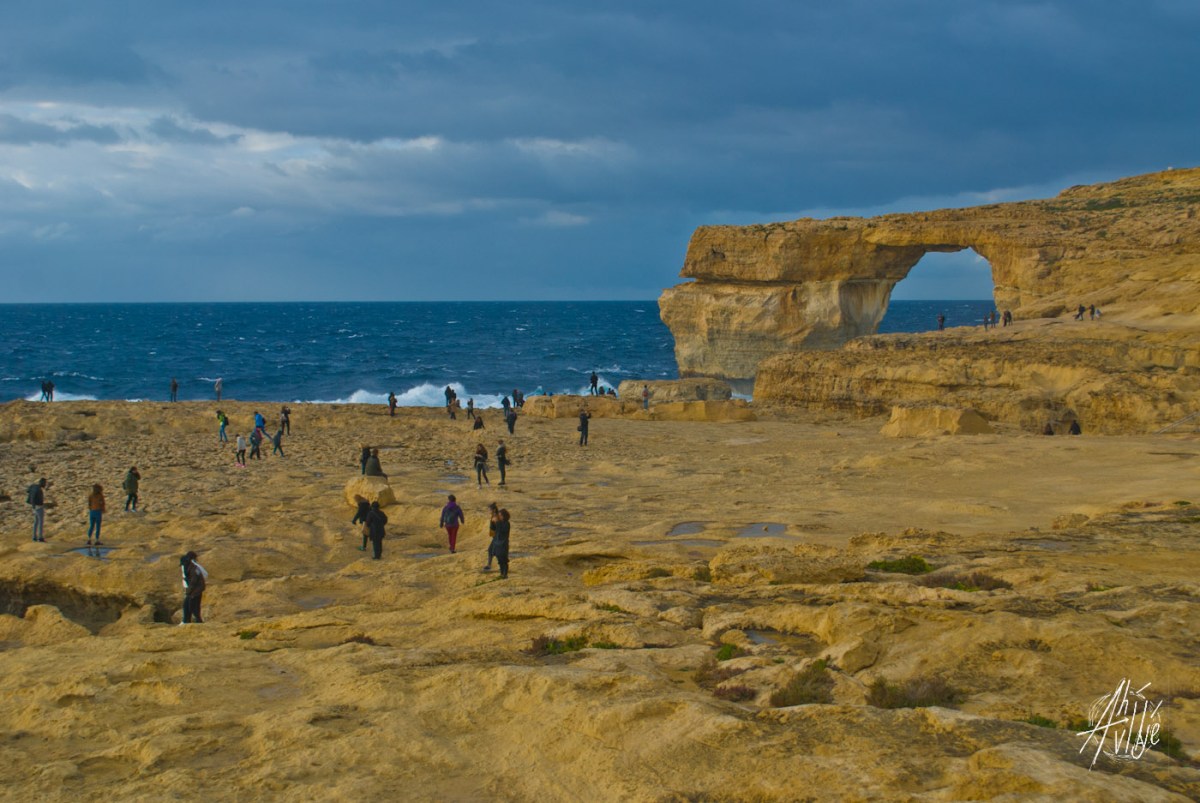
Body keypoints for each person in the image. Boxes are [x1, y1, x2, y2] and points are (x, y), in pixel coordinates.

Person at [180, 551, 207, 624]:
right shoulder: (190, 567)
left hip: (196, 591)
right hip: (194, 590)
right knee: (187, 605)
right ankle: (186, 621)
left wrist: (188, 592)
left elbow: (193, 582)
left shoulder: (193, 569)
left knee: (193, 607)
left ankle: (197, 621)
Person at [494, 508, 512, 579]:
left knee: (504, 559)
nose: (499, 517)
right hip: (498, 544)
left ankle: (505, 574)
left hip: (503, 544)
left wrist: (497, 522)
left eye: (500, 515)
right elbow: (493, 529)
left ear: (504, 516)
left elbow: (502, 531)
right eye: (499, 515)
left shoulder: (507, 523)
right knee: (499, 559)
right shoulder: (499, 522)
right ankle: (501, 573)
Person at [482, 502, 500, 571]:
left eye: (490, 510)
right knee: (491, 550)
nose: (489, 511)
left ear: (494, 510)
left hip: (497, 537)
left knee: (492, 550)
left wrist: (497, 536)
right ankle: (489, 565)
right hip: (495, 537)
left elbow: (499, 528)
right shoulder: (494, 516)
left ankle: (491, 565)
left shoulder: (495, 518)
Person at [28, 478, 47, 542]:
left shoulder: (36, 488)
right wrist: (34, 506)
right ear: (41, 482)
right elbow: (33, 498)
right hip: (38, 507)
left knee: (36, 522)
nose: (45, 484)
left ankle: (34, 537)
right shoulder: (37, 489)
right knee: (40, 522)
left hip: (36, 507)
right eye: (44, 483)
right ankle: (40, 537)